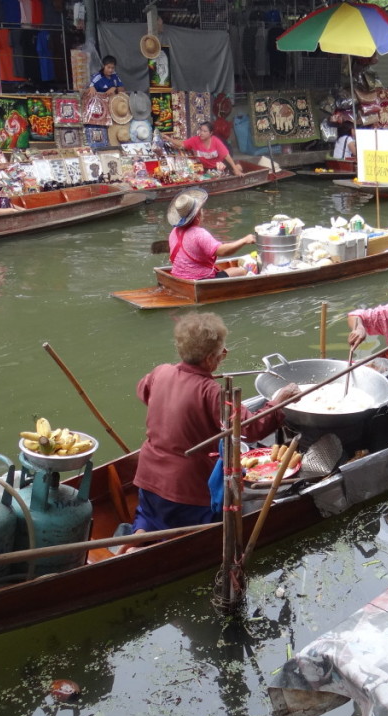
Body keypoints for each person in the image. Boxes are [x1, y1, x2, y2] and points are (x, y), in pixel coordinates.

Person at [129, 312, 300, 534]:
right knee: (206, 525)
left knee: (150, 519)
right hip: (185, 488)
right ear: (211, 358)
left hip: (148, 477)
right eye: (221, 353)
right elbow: (251, 428)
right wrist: (278, 402)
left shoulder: (161, 372)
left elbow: (144, 392)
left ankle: (135, 542)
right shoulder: (212, 392)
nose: (222, 357)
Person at [167, 188, 251, 279]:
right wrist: (244, 240)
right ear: (198, 215)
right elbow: (223, 251)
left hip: (178, 277)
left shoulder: (174, 231)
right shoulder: (199, 234)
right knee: (242, 271)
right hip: (201, 279)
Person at [166, 121, 243, 176]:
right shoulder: (195, 140)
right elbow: (181, 144)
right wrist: (168, 139)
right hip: (206, 168)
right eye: (201, 130)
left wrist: (236, 170)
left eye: (205, 131)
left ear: (211, 133)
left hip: (220, 166)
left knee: (238, 168)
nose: (201, 133)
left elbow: (227, 156)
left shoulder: (216, 141)